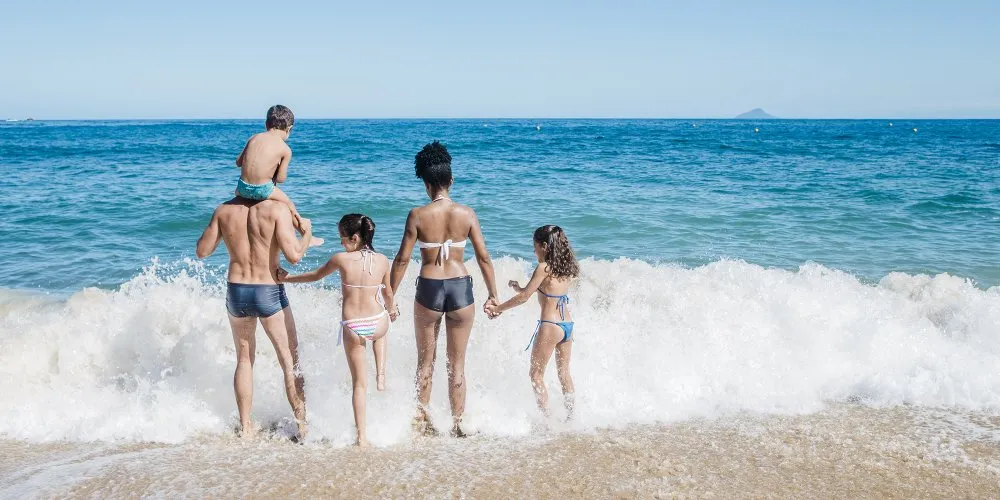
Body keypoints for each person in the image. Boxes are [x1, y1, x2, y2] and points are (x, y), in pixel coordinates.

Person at [390, 141, 499, 437]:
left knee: (425, 362)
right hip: (461, 288)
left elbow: (401, 260)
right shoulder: (467, 214)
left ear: (426, 184)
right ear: (451, 180)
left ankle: (422, 422)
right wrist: (493, 294)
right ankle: (458, 424)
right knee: (457, 363)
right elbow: (484, 258)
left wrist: (389, 295)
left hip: (429, 287)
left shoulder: (417, 215)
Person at [195, 197, 313, 441]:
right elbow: (294, 256)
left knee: (244, 359)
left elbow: (202, 251)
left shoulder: (224, 210)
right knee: (289, 360)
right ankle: (302, 429)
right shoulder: (277, 210)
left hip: (237, 290)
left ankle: (246, 428)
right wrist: (307, 233)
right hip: (268, 288)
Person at [278, 214, 398, 447]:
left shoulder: (341, 259)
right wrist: (392, 309)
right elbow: (388, 293)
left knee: (359, 385)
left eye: (343, 238)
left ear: (355, 238)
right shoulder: (383, 260)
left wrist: (287, 278)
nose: (341, 243)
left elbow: (315, 276)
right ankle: (381, 374)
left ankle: (362, 438)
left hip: (353, 326)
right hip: (377, 322)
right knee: (383, 324)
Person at [485, 225, 578, 420]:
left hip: (550, 325)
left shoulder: (543, 267)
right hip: (567, 326)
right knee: (564, 374)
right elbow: (544, 290)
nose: (534, 251)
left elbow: (524, 298)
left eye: (534, 247)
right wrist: (520, 287)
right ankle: (571, 418)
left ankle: (547, 420)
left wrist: (497, 309)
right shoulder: (566, 266)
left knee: (536, 375)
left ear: (544, 246)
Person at [234, 104, 323, 245]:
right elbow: (281, 179)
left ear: (266, 124)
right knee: (289, 204)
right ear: (289, 129)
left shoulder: (253, 138)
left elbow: (238, 162)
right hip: (262, 190)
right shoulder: (285, 149)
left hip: (241, 188)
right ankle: (306, 236)